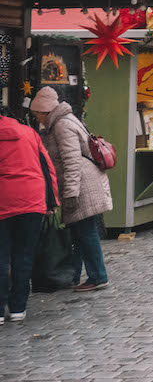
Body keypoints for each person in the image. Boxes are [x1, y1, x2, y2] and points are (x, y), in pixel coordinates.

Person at [31, 87, 111, 292]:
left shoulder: (62, 126)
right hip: (82, 182)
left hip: (82, 185)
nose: (36, 118)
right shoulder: (63, 121)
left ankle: (98, 276)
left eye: (37, 114)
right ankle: (73, 275)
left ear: (45, 111)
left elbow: (71, 161)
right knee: (78, 233)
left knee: (85, 232)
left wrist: (71, 193)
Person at [1, 110, 58, 321]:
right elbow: (46, 167)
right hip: (31, 200)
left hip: (3, 200)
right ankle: (17, 308)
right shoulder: (28, 133)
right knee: (23, 256)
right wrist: (51, 201)